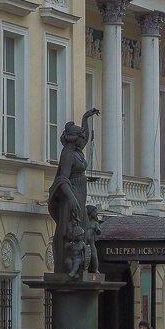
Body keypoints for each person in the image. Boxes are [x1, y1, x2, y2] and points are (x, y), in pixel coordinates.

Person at [47, 108, 99, 277]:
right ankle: (69, 267)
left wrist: (85, 118)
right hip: (72, 194)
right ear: (74, 138)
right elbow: (62, 180)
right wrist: (71, 198)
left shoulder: (77, 151)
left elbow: (86, 137)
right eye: (80, 136)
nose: (83, 138)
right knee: (72, 227)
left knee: (81, 227)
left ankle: (81, 266)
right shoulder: (68, 155)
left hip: (79, 193)